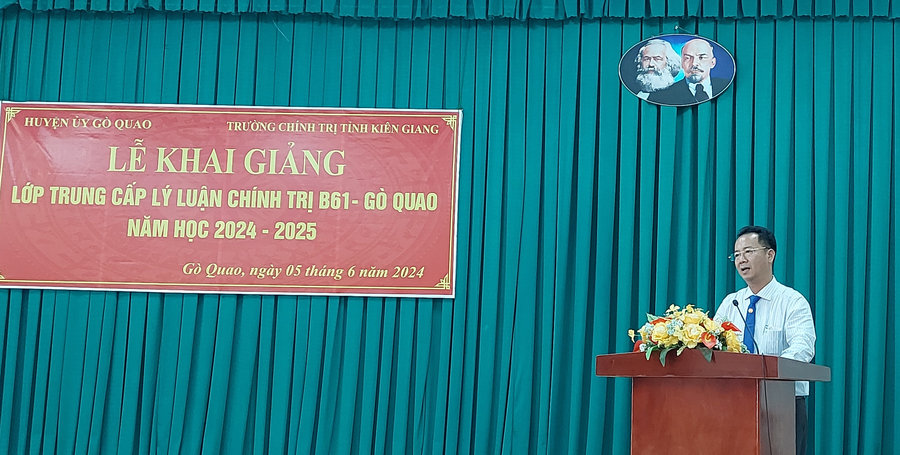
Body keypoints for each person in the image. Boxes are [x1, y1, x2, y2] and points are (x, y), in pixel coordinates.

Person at [714, 226, 816, 454]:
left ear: (770, 255)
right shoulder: (731, 303)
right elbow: (712, 345)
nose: (741, 260)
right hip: (733, 401)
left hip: (782, 405)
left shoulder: (792, 301)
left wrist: (768, 369)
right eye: (736, 255)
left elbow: (803, 347)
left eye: (748, 252)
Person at [648, 37, 730, 106]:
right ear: (682, 63)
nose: (694, 63)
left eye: (701, 57)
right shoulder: (660, 95)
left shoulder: (728, 87)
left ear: (712, 63)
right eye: (687, 58)